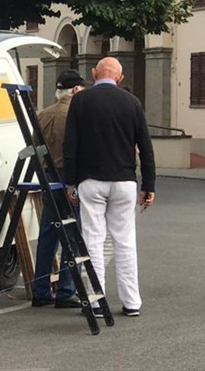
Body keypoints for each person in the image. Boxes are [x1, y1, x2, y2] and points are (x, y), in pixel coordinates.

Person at [63, 57, 156, 318]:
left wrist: (71, 183)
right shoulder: (133, 102)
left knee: (93, 240)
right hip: (124, 181)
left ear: (94, 74)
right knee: (125, 242)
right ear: (120, 78)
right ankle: (131, 302)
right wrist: (149, 185)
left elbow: (71, 146)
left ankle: (95, 301)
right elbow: (146, 148)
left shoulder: (81, 101)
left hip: (91, 181)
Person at [31, 70, 87, 309]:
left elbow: (33, 144)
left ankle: (40, 290)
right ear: (75, 90)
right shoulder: (76, 114)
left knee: (48, 234)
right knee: (72, 234)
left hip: (47, 175)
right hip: (69, 176)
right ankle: (66, 290)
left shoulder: (44, 113)